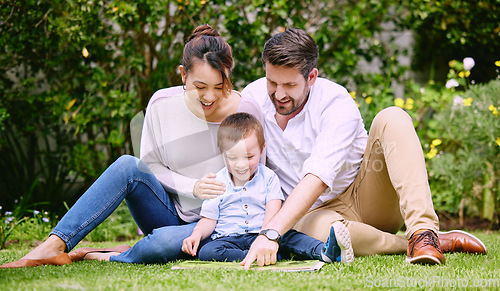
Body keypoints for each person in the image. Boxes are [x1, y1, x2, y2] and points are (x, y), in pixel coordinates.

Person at [0, 24, 260, 268]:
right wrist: (191, 187)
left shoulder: (246, 109)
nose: (210, 96)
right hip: (167, 213)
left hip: (221, 224)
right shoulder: (162, 104)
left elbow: (257, 176)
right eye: (200, 86)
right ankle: (54, 245)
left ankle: (108, 254)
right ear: (183, 74)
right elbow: (151, 165)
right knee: (128, 165)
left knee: (160, 245)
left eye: (220, 86)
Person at [238, 28, 487, 269]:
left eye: (290, 85)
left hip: (365, 197)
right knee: (324, 232)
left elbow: (318, 176)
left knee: (393, 117)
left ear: (311, 77)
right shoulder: (253, 99)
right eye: (272, 82)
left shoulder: (336, 102)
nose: (279, 94)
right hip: (313, 215)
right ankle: (413, 243)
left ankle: (423, 233)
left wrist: (271, 234)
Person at [181, 112, 354, 264]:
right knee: (208, 251)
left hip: (264, 233)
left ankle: (326, 250)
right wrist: (196, 235)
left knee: (291, 237)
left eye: (249, 157)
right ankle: (253, 256)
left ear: (262, 150)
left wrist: (265, 237)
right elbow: (209, 220)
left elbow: (273, 213)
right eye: (233, 158)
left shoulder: (269, 177)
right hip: (229, 239)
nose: (241, 165)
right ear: (222, 154)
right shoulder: (217, 181)